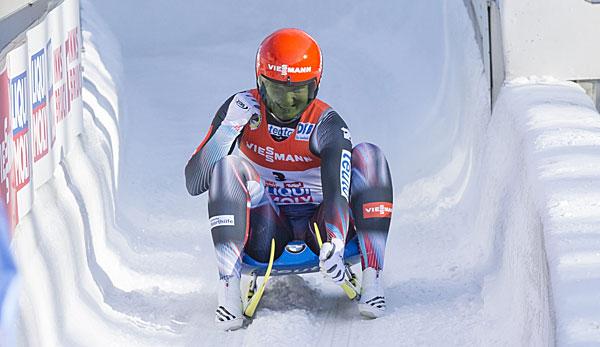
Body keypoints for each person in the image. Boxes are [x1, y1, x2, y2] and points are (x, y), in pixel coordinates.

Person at [185, 28, 393, 331]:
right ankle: (227, 286)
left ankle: (374, 277)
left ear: (316, 86)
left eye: (298, 94)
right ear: (260, 83)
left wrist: (335, 239)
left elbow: (338, 191)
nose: (286, 104)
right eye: (276, 92)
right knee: (228, 166)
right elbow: (195, 182)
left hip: (319, 229)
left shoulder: (326, 123)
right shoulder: (241, 108)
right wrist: (229, 128)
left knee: (370, 156)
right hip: (267, 227)